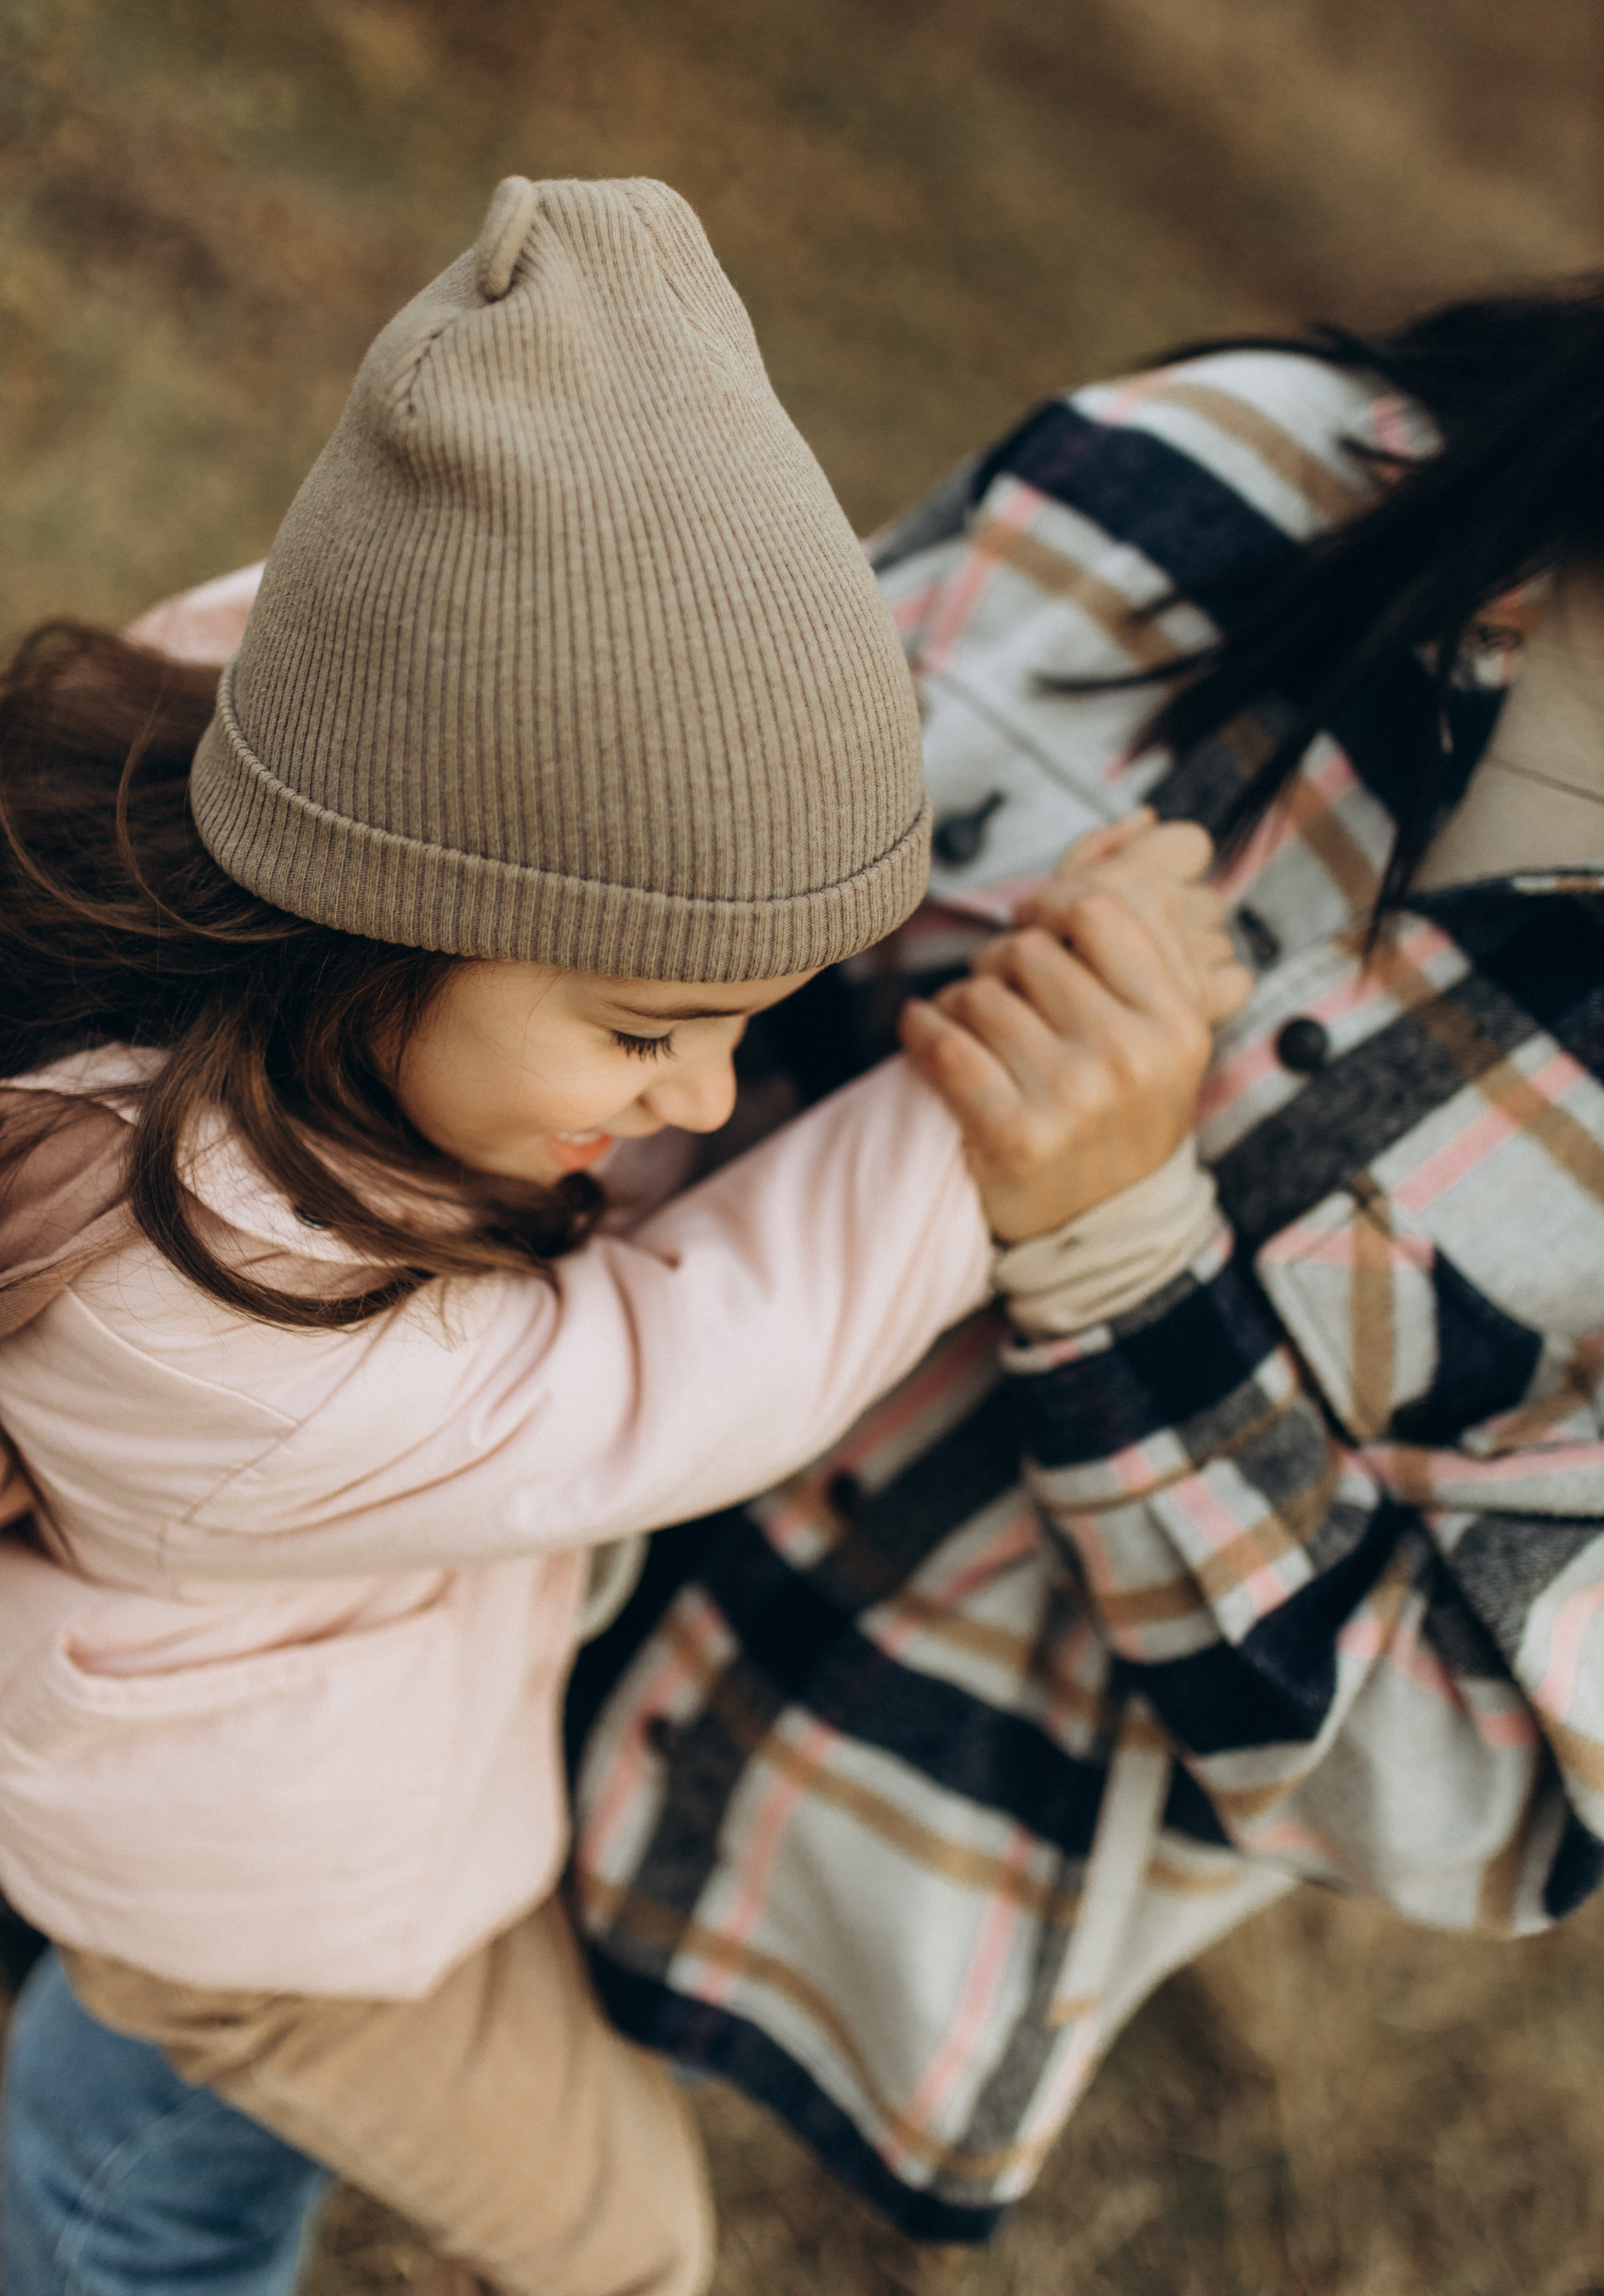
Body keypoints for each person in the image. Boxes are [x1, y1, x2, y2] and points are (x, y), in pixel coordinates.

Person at [0, 175, 1236, 2296]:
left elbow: (389, 632)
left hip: (280, 1765)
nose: (704, 1098)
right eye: (650, 1028)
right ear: (372, 907)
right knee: (606, 2243)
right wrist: (1000, 1127)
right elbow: (660, 1379)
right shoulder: (188, 1308)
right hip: (270, 1921)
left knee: (193, 2161)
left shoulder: (288, 761)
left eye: (738, 1027)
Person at [567, 284, 1604, 2246]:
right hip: (338, 1555)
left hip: (804, 1811)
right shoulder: (1208, 478)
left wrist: (1121, 1253)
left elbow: (1471, 1796)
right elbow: (556, 844)